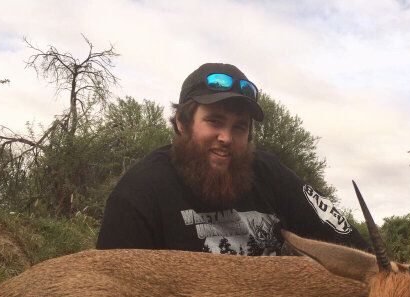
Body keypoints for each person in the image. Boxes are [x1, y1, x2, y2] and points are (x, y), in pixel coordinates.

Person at [96, 63, 368, 255]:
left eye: (239, 126)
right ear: (182, 122)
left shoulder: (270, 173)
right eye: (214, 121)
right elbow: (116, 293)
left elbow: (348, 243)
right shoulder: (139, 192)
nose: (226, 137)